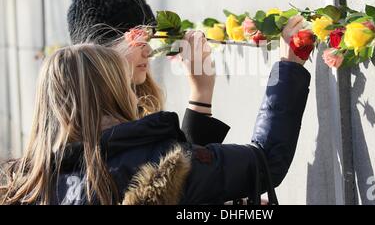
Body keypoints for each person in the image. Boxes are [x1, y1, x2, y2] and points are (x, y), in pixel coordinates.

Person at [0, 16, 310, 205]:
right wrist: (288, 69)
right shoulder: (152, 168)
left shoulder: (28, 187)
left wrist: (201, 95)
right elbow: (264, 162)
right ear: (112, 89)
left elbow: (189, 188)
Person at [67, 0, 228, 145]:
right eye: (138, 39)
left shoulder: (104, 120)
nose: (149, 52)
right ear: (101, 50)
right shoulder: (104, 135)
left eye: (149, 38)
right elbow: (189, 170)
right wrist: (201, 93)